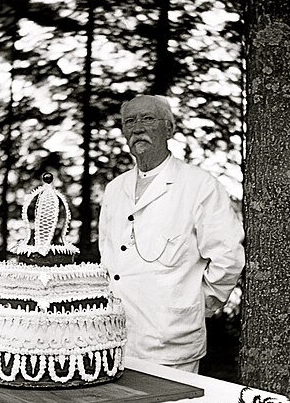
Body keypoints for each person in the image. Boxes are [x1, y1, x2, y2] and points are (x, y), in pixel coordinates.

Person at [98, 94, 245, 373]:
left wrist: (194, 305)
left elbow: (228, 258)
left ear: (169, 129)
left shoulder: (199, 185)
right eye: (130, 121)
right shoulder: (115, 189)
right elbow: (108, 258)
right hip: (115, 340)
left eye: (148, 118)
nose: (137, 127)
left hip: (171, 343)